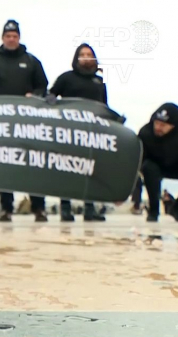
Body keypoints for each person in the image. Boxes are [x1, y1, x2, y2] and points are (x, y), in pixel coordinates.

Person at [0, 20, 49, 222]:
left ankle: (38, 207)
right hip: (1, 125)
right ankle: (7, 208)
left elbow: (43, 87)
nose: (11, 39)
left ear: (19, 38)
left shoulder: (32, 62)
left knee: (34, 165)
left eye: (15, 36)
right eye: (8, 36)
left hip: (29, 125)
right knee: (4, 167)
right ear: (3, 38)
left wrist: (34, 96)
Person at [48, 43, 107, 222]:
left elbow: (104, 106)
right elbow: (51, 95)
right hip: (69, 131)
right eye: (82, 54)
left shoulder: (99, 82)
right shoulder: (67, 78)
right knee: (66, 170)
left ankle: (89, 208)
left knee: (91, 170)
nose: (86, 57)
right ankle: (65, 208)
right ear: (76, 58)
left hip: (92, 132)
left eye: (89, 54)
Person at [138, 103, 178, 222]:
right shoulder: (145, 132)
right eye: (156, 123)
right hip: (153, 165)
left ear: (175, 126)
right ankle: (153, 211)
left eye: (163, 125)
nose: (158, 127)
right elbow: (137, 161)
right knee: (149, 168)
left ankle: (177, 207)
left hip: (177, 164)